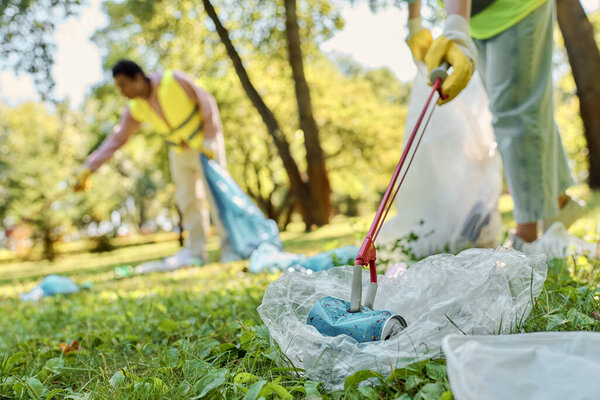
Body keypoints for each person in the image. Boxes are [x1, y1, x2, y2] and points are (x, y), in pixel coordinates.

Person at [405, 0, 591, 251]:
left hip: (515, 8)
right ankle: (559, 204)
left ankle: (527, 237)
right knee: (522, 107)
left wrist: (456, 22)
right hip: (478, 22)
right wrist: (415, 19)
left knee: (513, 113)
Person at [74, 59, 237, 267]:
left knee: (217, 197)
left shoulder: (173, 80)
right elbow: (118, 138)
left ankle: (231, 248)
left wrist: (210, 137)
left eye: (123, 84)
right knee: (187, 200)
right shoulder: (135, 107)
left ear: (138, 78)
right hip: (178, 151)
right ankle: (196, 252)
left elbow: (206, 102)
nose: (122, 91)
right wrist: (90, 167)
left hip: (204, 143)